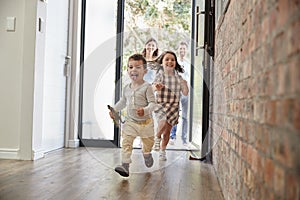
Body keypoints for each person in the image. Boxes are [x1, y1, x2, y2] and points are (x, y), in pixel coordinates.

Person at [109, 54, 156, 177]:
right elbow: (123, 102)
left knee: (148, 144)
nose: (133, 70)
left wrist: (145, 110)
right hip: (131, 122)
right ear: (127, 71)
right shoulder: (126, 88)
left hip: (146, 123)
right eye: (130, 67)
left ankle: (147, 154)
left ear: (145, 71)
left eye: (138, 67)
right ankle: (125, 165)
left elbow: (153, 104)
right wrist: (114, 110)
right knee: (126, 142)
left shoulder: (147, 87)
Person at [152, 51, 189, 161]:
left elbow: (185, 93)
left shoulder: (179, 78)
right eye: (167, 59)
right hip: (161, 105)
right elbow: (153, 87)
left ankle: (163, 151)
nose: (170, 61)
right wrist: (156, 87)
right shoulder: (160, 75)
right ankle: (157, 137)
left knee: (167, 131)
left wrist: (185, 85)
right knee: (162, 122)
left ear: (175, 63)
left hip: (174, 107)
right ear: (162, 63)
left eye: (172, 60)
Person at [169, 41, 190, 146]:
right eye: (180, 48)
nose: (182, 50)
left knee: (185, 116)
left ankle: (184, 138)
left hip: (186, 92)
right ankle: (172, 136)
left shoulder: (188, 63)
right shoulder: (174, 63)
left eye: (184, 48)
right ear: (178, 50)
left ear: (187, 50)